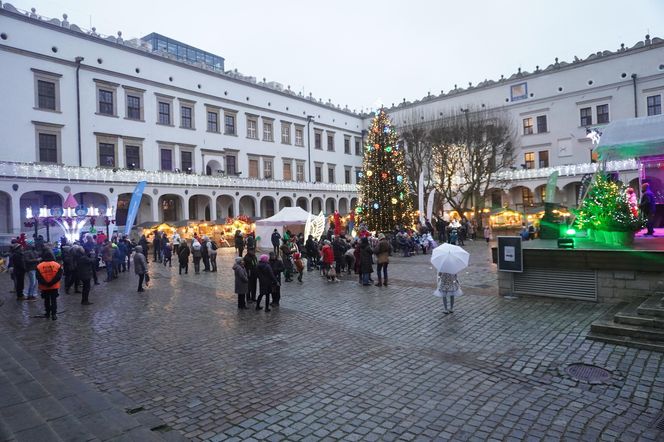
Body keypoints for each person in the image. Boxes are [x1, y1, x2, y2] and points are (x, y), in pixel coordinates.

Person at [36, 250, 62, 320]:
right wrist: (52, 283)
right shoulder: (57, 265)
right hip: (54, 286)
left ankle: (47, 313)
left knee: (46, 300)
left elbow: (38, 277)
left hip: (44, 287)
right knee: (54, 300)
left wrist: (45, 283)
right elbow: (59, 276)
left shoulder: (39, 266)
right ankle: (54, 314)